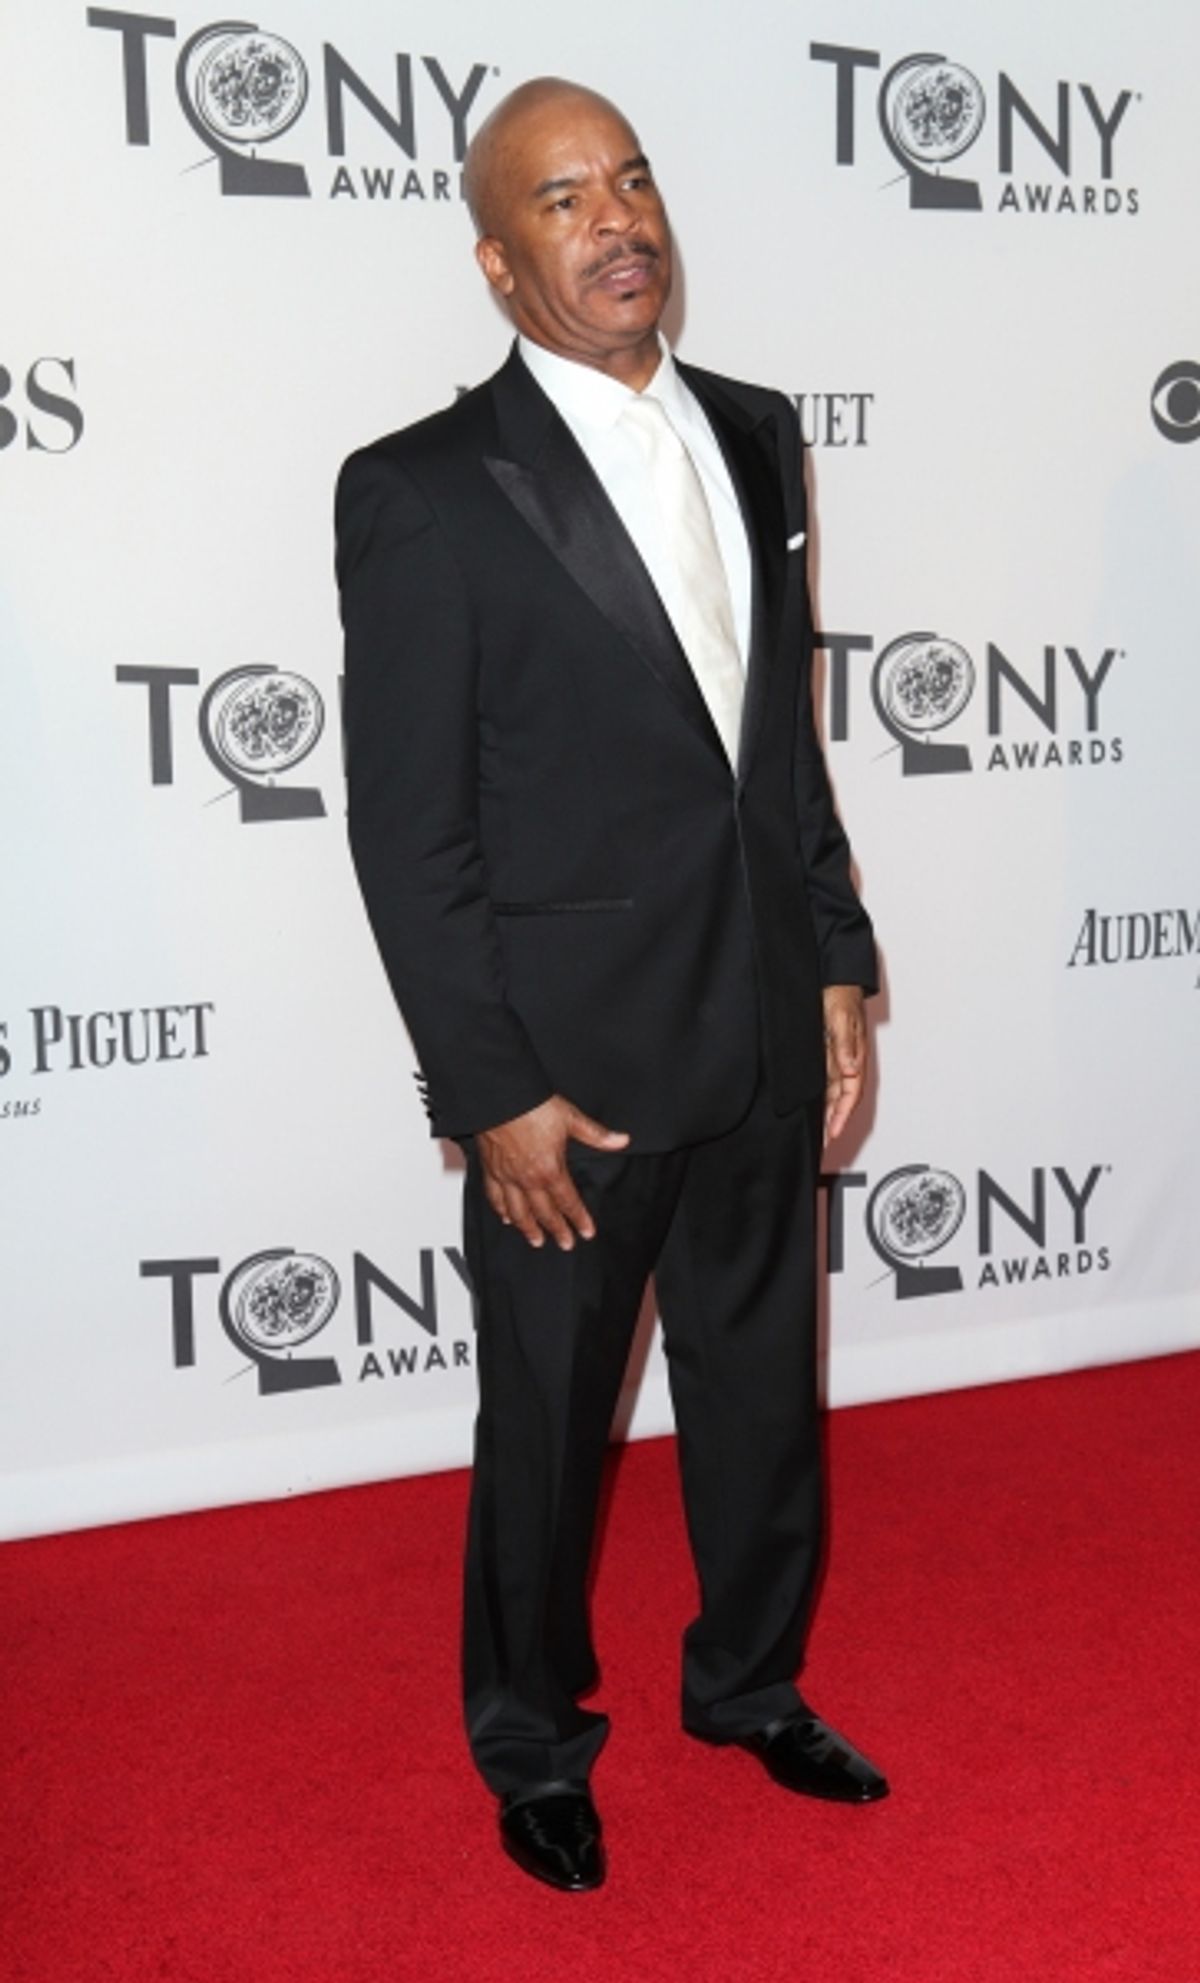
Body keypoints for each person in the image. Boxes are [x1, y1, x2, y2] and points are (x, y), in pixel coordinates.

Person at [336, 77, 886, 1895]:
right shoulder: (421, 491)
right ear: (500, 264)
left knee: (761, 1394)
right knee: (550, 1428)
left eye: (633, 181)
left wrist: (834, 963)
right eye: (564, 201)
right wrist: (487, 1088)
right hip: (570, 1073)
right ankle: (531, 1739)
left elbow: (777, 748)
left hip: (757, 1025)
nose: (618, 219)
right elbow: (412, 833)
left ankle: (747, 1687)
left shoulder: (758, 430)